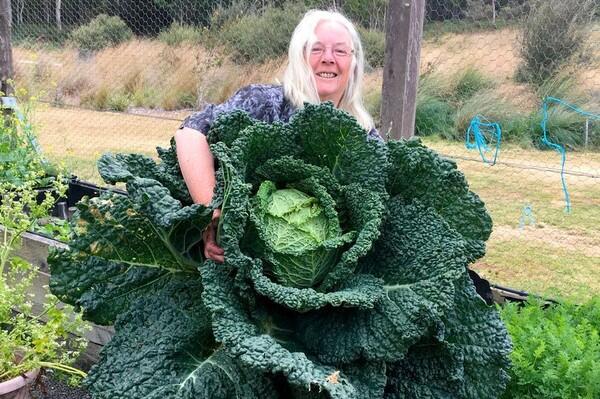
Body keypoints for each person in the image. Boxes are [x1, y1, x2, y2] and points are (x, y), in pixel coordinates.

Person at [174, 9, 381, 263]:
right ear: (299, 56)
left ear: (354, 62)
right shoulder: (265, 104)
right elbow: (191, 133)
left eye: (340, 51)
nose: (328, 58)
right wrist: (211, 213)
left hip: (330, 291)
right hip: (237, 265)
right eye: (316, 49)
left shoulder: (362, 137)